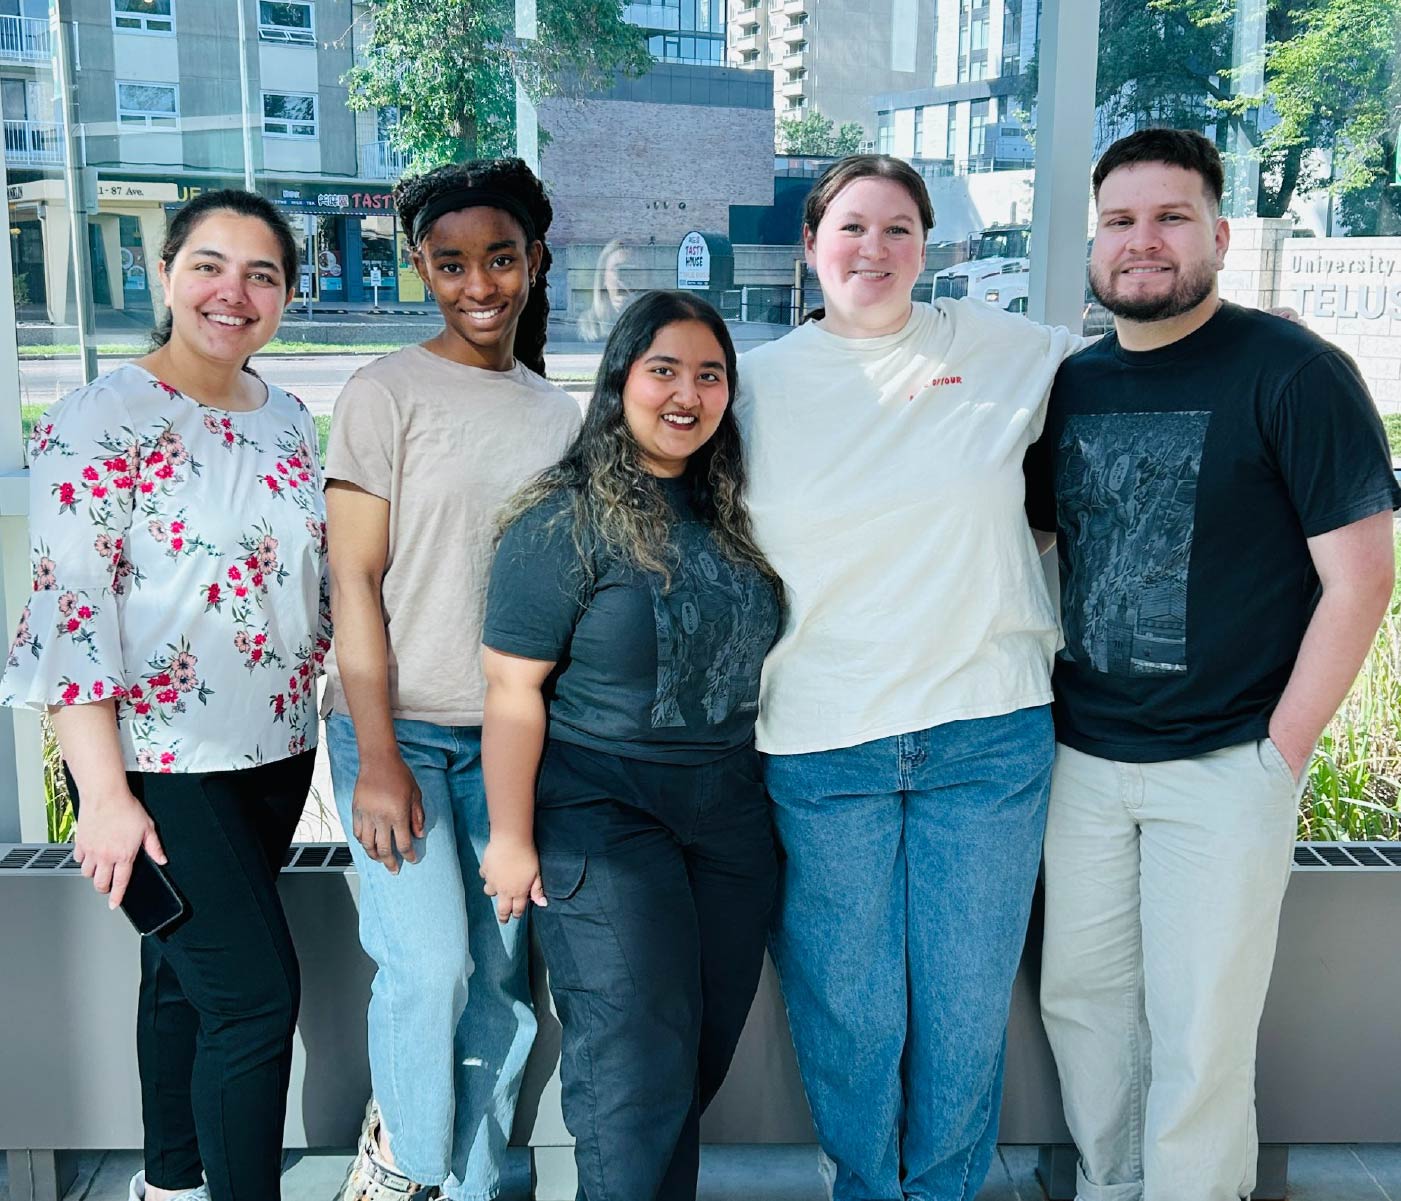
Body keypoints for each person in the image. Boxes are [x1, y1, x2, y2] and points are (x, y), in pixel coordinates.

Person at [1026, 128, 1399, 1201]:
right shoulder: (1074, 384)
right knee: (1084, 1010)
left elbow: (1361, 579)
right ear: (1096, 242)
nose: (1143, 242)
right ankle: (1113, 1185)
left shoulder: (1298, 372)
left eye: (1171, 217)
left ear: (1221, 234)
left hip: (1228, 760)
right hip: (1083, 760)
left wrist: (1281, 752)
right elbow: (1040, 548)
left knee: (1200, 1030)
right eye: (1120, 221)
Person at [735, 155, 1078, 1201]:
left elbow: (1147, 367)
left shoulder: (1015, 351)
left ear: (929, 247)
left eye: (898, 230)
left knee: (966, 1007)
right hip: (820, 736)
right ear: (810, 243)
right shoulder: (753, 383)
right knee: (851, 1010)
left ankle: (943, 1192)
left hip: (987, 733)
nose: (873, 250)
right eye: (851, 227)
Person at [1, 189, 329, 1201]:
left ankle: (172, 1182)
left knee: (180, 977)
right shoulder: (99, 418)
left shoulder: (287, 416)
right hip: (157, 763)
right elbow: (70, 611)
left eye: (262, 273)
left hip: (276, 753)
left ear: (284, 294)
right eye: (210, 265)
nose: (234, 292)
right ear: (164, 275)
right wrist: (102, 795)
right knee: (256, 1004)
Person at [479, 290, 783, 1201]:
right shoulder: (561, 518)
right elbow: (510, 689)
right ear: (619, 382)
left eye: (709, 374)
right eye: (663, 370)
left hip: (729, 813)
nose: (686, 393)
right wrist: (509, 836)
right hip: (601, 810)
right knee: (633, 1066)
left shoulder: (735, 510)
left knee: (692, 1055)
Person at [322, 158, 581, 1201]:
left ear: (533, 262)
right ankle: (406, 1171)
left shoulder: (557, 417)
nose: (480, 284)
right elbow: (353, 579)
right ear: (421, 269)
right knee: (428, 969)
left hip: (511, 747)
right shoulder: (383, 393)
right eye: (452, 263)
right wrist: (379, 756)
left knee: (506, 990)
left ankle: (480, 1182)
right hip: (399, 739)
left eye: (501, 258)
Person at [577, 239, 633, 341]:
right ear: (604, 277)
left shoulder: (647, 322)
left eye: (630, 270)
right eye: (616, 269)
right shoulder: (588, 324)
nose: (621, 278)